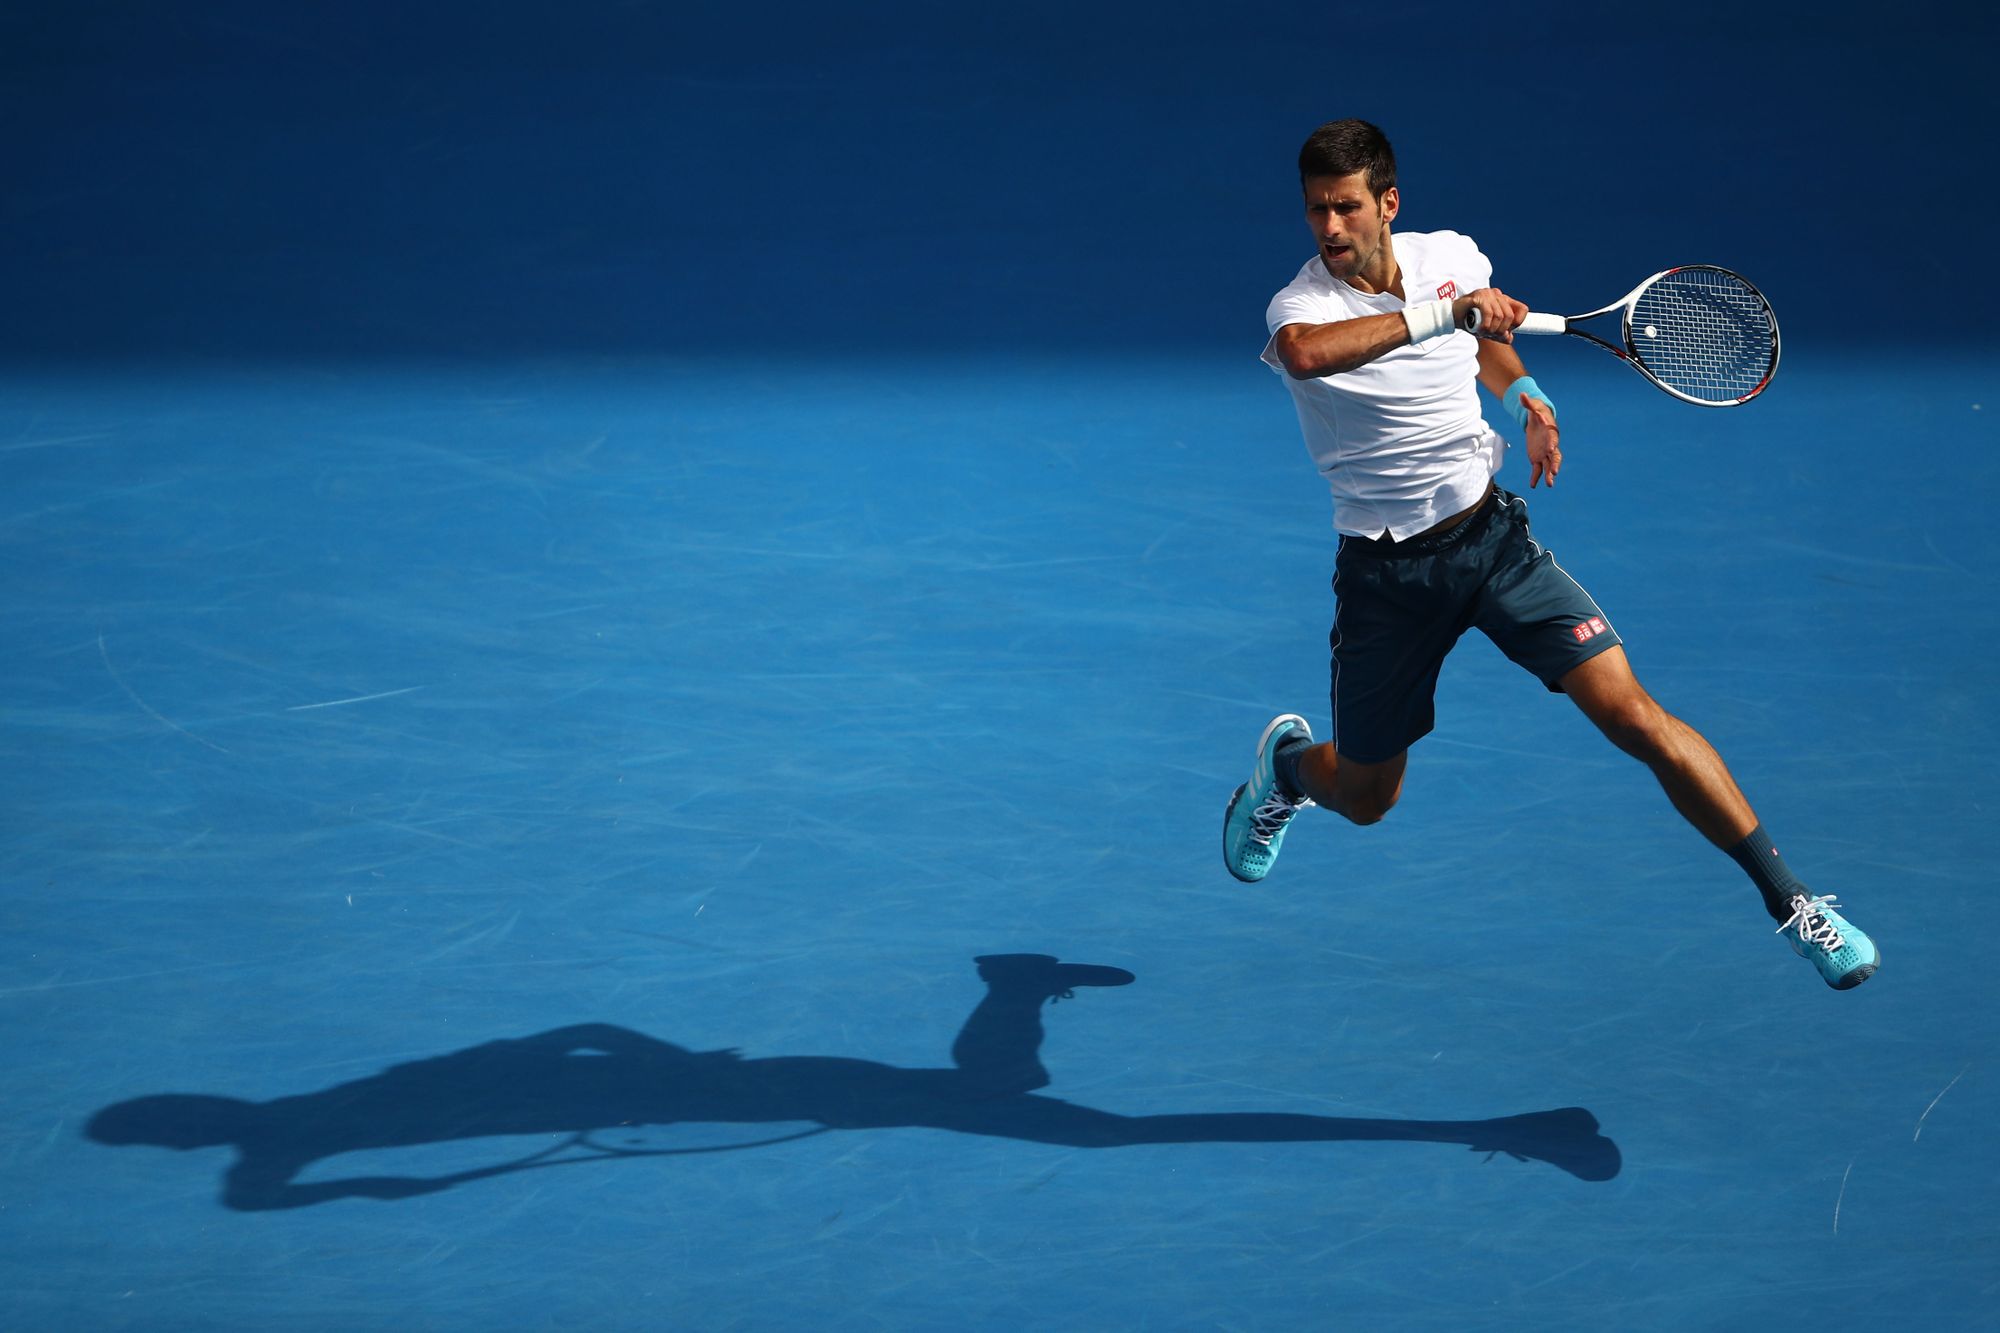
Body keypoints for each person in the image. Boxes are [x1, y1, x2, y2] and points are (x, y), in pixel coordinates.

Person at [1221, 119, 1878, 990]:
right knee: (1370, 797)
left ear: (1388, 203)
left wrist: (1524, 389)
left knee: (1636, 716)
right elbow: (1309, 359)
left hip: (1492, 544)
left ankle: (1793, 902)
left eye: (1346, 208)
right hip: (1387, 578)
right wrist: (1446, 312)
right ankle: (1291, 769)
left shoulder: (1452, 253)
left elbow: (1485, 340)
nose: (1330, 229)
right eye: (1315, 212)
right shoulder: (1301, 307)